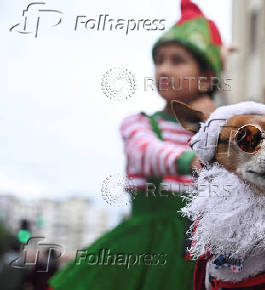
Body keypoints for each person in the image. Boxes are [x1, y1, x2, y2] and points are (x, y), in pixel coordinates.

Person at [48, 0, 224, 289]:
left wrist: (211, 119)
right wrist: (188, 160)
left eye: (177, 61)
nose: (164, 70)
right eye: (159, 60)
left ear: (206, 79)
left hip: (202, 249)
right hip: (144, 248)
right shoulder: (138, 124)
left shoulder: (214, 127)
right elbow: (144, 152)